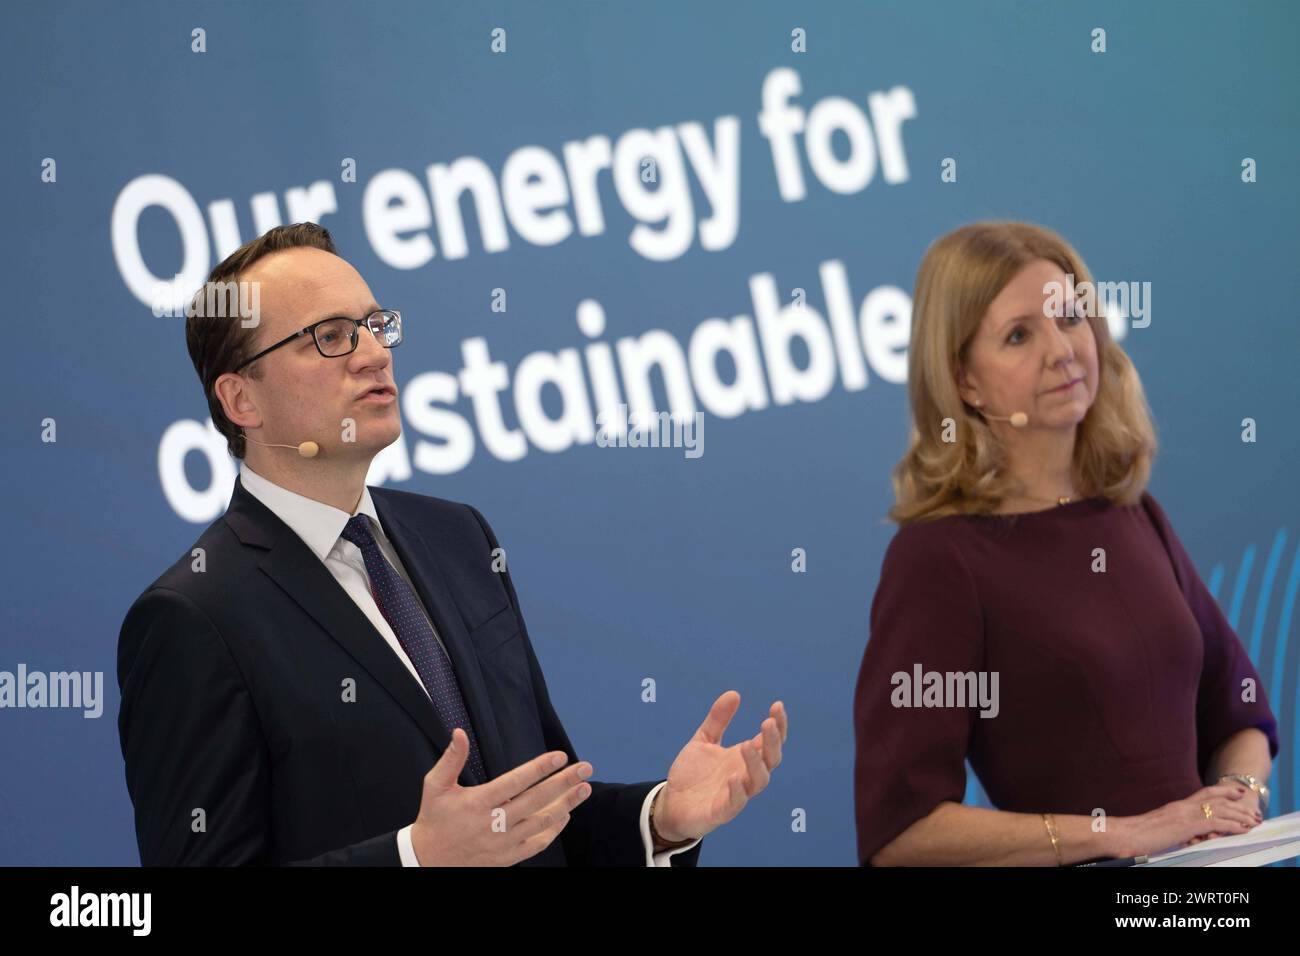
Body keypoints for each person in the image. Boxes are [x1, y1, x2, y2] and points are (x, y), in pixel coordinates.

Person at [117, 222, 787, 866]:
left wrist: (662, 820)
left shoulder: (460, 539)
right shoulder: (194, 618)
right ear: (241, 400)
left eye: (376, 327)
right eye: (330, 337)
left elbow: (534, 816)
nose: (375, 353)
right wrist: (416, 858)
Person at [853, 221, 1277, 866]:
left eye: (1071, 317)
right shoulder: (939, 559)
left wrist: (1237, 797)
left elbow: (1240, 707)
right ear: (964, 380)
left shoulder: (1133, 514)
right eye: (1019, 335)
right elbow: (901, 833)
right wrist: (1122, 834)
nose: (1062, 350)